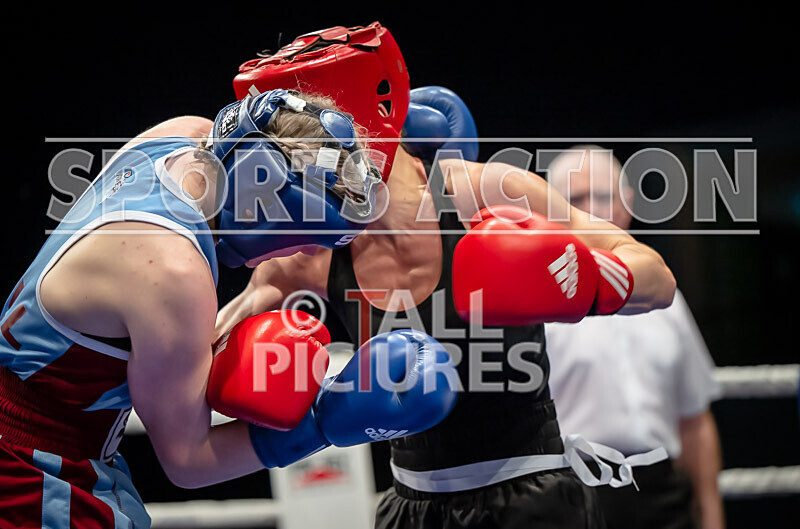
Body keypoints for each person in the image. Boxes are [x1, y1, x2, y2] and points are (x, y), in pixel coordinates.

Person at [217, 23, 678, 529]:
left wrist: (589, 279)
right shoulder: (309, 254)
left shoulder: (490, 194)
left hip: (534, 503)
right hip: (408, 510)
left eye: (300, 150)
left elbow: (656, 275)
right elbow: (207, 342)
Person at [0, 87, 457, 527]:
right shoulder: (174, 273)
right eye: (297, 239)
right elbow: (188, 461)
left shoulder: (178, 137)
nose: (292, 257)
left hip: (62, 450)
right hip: (32, 476)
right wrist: (326, 421)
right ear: (267, 209)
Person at [545, 146, 725, 529]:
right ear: (553, 211)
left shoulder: (667, 297)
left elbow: (694, 419)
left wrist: (711, 514)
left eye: (605, 196)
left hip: (662, 494)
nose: (592, 209)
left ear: (627, 203)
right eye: (576, 199)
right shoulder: (535, 303)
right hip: (568, 496)